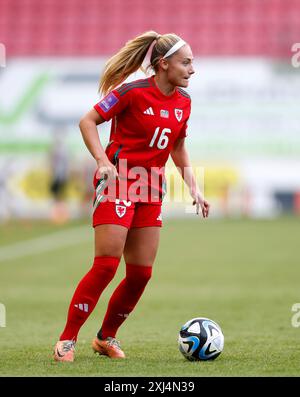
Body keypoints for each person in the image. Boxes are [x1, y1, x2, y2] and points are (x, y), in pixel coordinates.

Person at [54, 31, 210, 362]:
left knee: (141, 273)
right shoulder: (130, 92)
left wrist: (194, 187)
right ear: (164, 64)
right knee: (107, 266)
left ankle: (106, 337)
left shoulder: (184, 102)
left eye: (192, 63)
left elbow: (177, 146)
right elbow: (88, 121)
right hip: (119, 181)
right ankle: (67, 340)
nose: (192, 69)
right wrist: (102, 161)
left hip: (151, 187)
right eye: (186, 62)